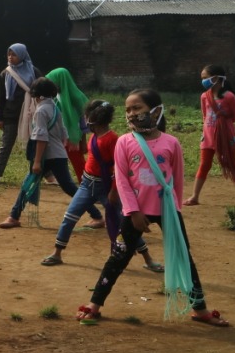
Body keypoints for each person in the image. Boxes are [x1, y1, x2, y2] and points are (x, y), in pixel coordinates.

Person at [77, 89, 229, 327]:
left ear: (155, 110)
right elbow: (123, 180)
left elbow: (176, 181)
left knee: (184, 258)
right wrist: (133, 211)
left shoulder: (171, 143)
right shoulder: (124, 143)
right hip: (135, 211)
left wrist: (175, 211)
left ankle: (200, 309)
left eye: (137, 108)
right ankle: (95, 304)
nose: (132, 113)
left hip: (168, 211)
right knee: (117, 258)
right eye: (128, 109)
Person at [41, 99, 162, 271]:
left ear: (93, 119)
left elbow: (119, 167)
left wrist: (114, 190)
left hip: (105, 188)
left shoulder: (112, 139)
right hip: (87, 184)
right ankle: (57, 253)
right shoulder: (95, 136)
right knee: (69, 217)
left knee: (125, 224)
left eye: (87, 116)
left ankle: (148, 259)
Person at [0, 78, 81, 229]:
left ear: (36, 95)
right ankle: (14, 215)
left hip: (46, 155)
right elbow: (63, 132)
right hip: (58, 154)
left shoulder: (41, 110)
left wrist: (37, 161)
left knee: (29, 184)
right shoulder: (55, 107)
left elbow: (41, 137)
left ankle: (14, 217)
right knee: (68, 186)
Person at [186, 65, 235, 207]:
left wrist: (222, 121)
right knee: (204, 165)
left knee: (233, 164)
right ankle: (194, 196)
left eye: (206, 78)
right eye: (202, 79)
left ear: (217, 78)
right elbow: (204, 116)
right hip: (208, 136)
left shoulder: (229, 97)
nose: (203, 81)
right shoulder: (204, 97)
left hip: (225, 137)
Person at [0, 44, 38, 186]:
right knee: (6, 145)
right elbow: (1, 97)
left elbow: (42, 90)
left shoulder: (34, 72)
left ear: (22, 55)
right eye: (9, 54)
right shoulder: (5, 74)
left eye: (14, 54)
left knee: (34, 145)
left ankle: (42, 175)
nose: (10, 57)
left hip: (30, 115)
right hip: (10, 115)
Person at [45, 67, 90, 180]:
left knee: (78, 163)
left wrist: (83, 142)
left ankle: (86, 185)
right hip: (57, 137)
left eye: (52, 82)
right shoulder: (55, 97)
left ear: (61, 81)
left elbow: (84, 122)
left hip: (73, 139)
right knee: (51, 161)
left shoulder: (79, 98)